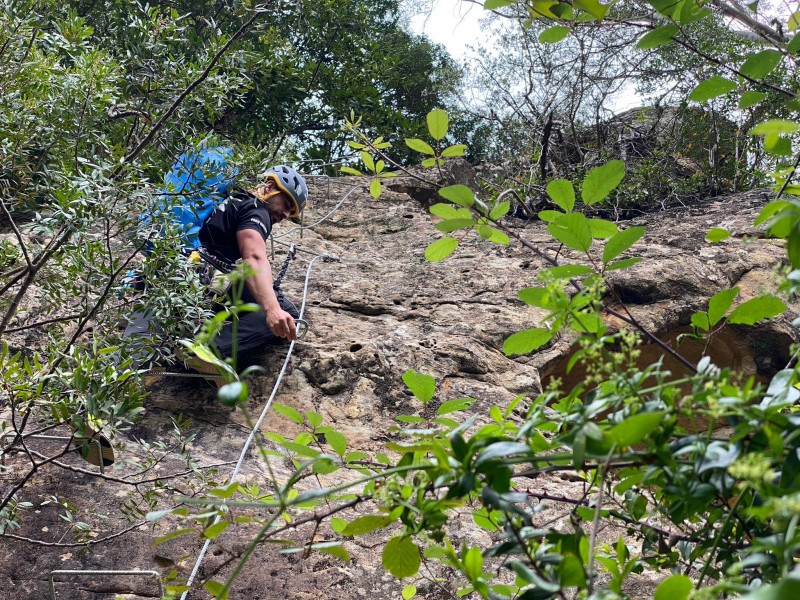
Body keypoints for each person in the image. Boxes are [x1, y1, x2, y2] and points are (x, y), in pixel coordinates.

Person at [197, 165, 308, 362]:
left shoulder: (232, 200)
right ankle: (208, 348)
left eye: (291, 213)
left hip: (194, 270)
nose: (286, 215)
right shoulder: (258, 210)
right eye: (287, 204)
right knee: (287, 315)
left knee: (264, 296)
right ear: (270, 186)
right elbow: (254, 257)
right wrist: (272, 309)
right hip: (206, 276)